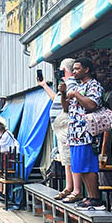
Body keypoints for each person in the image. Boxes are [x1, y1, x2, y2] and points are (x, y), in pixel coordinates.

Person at [65, 57, 105, 207]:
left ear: (86, 70)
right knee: (80, 167)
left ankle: (95, 198)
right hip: (75, 134)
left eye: (77, 69)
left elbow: (92, 104)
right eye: (73, 69)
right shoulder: (78, 86)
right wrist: (65, 94)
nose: (74, 72)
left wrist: (76, 95)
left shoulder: (94, 85)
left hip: (86, 134)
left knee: (88, 167)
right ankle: (89, 196)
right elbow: (65, 108)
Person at [39, 58, 76, 200]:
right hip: (61, 129)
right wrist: (44, 85)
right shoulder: (65, 85)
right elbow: (56, 100)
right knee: (66, 159)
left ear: (64, 70)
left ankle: (71, 188)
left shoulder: (70, 84)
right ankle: (69, 187)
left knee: (69, 159)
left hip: (66, 127)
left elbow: (65, 104)